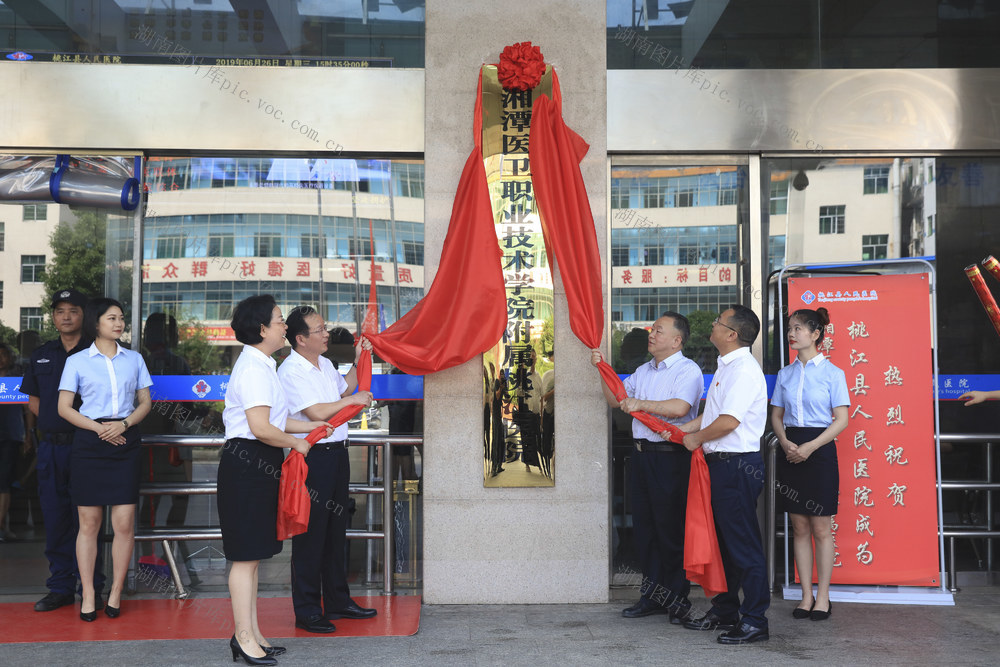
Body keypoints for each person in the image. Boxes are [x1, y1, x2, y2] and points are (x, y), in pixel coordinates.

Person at [219, 295, 333, 665]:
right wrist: (297, 443)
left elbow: (277, 420)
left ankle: (252, 634)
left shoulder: (263, 364)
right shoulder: (253, 368)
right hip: (247, 462)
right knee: (244, 557)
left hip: (258, 460)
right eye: (280, 320)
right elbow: (260, 428)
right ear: (262, 329)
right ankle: (243, 636)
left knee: (253, 556)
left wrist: (313, 426)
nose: (285, 326)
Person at [592, 312, 704, 623]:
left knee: (670, 530)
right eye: (652, 329)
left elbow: (679, 408)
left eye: (658, 330)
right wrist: (602, 369)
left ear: (676, 340)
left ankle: (676, 598)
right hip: (641, 457)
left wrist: (642, 405)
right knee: (646, 530)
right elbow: (618, 400)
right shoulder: (644, 370)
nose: (651, 335)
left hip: (670, 457)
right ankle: (652, 595)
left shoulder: (688, 370)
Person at [277, 306, 377, 634]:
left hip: (337, 455)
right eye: (319, 330)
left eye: (325, 328)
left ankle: (337, 600)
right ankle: (307, 609)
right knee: (311, 533)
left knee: (336, 530)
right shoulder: (291, 370)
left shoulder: (325, 363)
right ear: (300, 338)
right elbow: (316, 411)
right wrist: (354, 401)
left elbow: (345, 388)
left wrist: (361, 358)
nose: (326, 334)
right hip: (312, 457)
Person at [677, 305, 770, 645]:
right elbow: (712, 415)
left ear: (732, 334)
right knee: (725, 546)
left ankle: (756, 619)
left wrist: (695, 439)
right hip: (719, 465)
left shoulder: (744, 369)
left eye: (718, 322)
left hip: (736, 466)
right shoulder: (725, 366)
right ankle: (726, 610)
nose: (712, 325)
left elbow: (729, 422)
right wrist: (681, 431)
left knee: (743, 547)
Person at [58, 297, 153, 622]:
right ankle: (88, 593)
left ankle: (115, 592)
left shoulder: (135, 359)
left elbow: (145, 403)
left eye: (121, 318)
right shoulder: (78, 361)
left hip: (125, 440)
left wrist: (123, 424)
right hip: (90, 440)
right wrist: (99, 429)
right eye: (111, 318)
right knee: (89, 523)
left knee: (124, 523)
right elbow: (64, 407)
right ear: (96, 324)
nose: (119, 323)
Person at [20, 288, 106, 612]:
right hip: (51, 450)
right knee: (55, 518)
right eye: (60, 311)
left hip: (87, 447)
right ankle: (59, 587)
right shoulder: (42, 354)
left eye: (73, 310)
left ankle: (92, 587)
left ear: (84, 315)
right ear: (53, 317)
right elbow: (35, 402)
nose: (66, 316)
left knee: (88, 521)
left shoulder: (99, 353)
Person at [771, 307, 849, 621]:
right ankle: (805, 596)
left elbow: (841, 419)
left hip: (820, 450)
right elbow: (776, 415)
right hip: (791, 449)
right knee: (799, 526)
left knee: (821, 527)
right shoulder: (784, 374)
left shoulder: (834, 373)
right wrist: (786, 442)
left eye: (799, 328)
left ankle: (824, 597)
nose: (792, 333)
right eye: (790, 328)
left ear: (816, 334)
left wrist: (812, 446)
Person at [0, 342, 28, 541]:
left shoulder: (17, 379)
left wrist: (29, 434)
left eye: (4, 355)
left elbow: (27, 408)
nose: (1, 359)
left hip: (11, 435)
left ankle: (2, 526)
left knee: (4, 481)